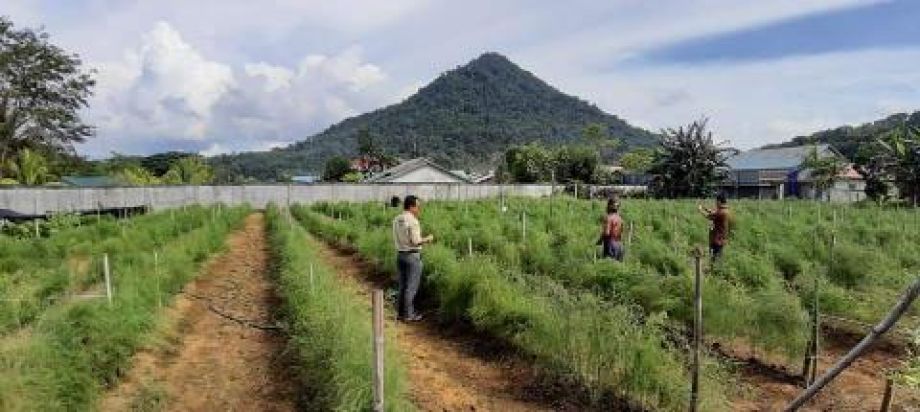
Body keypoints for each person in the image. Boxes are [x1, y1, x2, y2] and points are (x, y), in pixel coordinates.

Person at [392, 195, 434, 322]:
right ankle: (409, 315)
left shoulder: (397, 219)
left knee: (403, 286)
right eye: (417, 206)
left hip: (400, 255)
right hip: (412, 256)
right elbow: (416, 241)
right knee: (411, 287)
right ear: (411, 207)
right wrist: (428, 239)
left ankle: (400, 313)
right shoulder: (413, 221)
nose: (419, 208)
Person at [698, 193, 731, 259]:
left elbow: (709, 216)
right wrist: (705, 208)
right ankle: (716, 268)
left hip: (717, 239)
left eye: (716, 201)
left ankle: (715, 268)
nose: (715, 203)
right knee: (718, 256)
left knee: (715, 258)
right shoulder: (725, 210)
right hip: (722, 238)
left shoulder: (720, 212)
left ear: (719, 201)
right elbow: (713, 213)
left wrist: (700, 210)